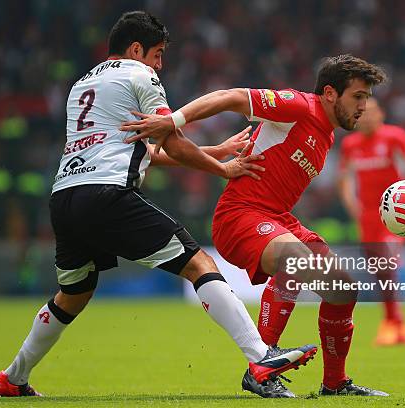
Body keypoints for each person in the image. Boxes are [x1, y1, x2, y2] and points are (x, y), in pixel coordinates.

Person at [0, 11, 317, 398]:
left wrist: (211, 150)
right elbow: (171, 140)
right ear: (136, 48)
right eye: (157, 54)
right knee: (200, 264)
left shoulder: (81, 85)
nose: (159, 64)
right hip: (107, 195)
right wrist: (223, 168)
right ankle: (261, 356)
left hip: (65, 196)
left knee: (73, 294)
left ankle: (13, 377)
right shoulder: (140, 75)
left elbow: (138, 148)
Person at [121, 54, 390, 397]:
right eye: (358, 96)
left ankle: (335, 384)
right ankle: (261, 368)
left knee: (342, 290)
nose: (364, 106)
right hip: (240, 216)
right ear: (330, 93)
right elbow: (231, 97)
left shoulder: (327, 136)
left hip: (277, 219)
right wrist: (175, 120)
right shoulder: (298, 106)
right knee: (296, 259)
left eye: (367, 98)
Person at [338, 97, 405, 346]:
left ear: (381, 114)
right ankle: (396, 323)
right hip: (367, 216)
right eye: (362, 113)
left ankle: (392, 323)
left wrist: (404, 196)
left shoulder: (394, 136)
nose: (366, 116)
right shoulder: (350, 144)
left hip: (393, 216)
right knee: (379, 269)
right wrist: (350, 202)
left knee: (386, 260)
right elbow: (345, 178)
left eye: (371, 112)